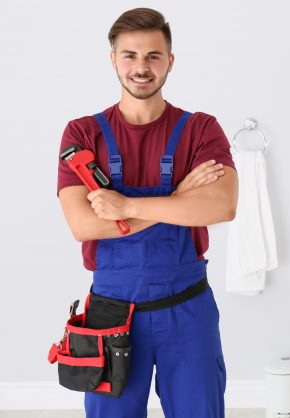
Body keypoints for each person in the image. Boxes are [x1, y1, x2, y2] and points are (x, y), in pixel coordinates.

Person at [56, 7, 238, 418]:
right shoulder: (81, 133)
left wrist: (126, 206)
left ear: (170, 61)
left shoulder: (201, 129)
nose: (142, 67)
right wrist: (178, 197)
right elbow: (82, 225)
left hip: (187, 309)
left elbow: (222, 206)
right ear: (113, 59)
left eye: (153, 56)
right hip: (111, 313)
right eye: (130, 55)